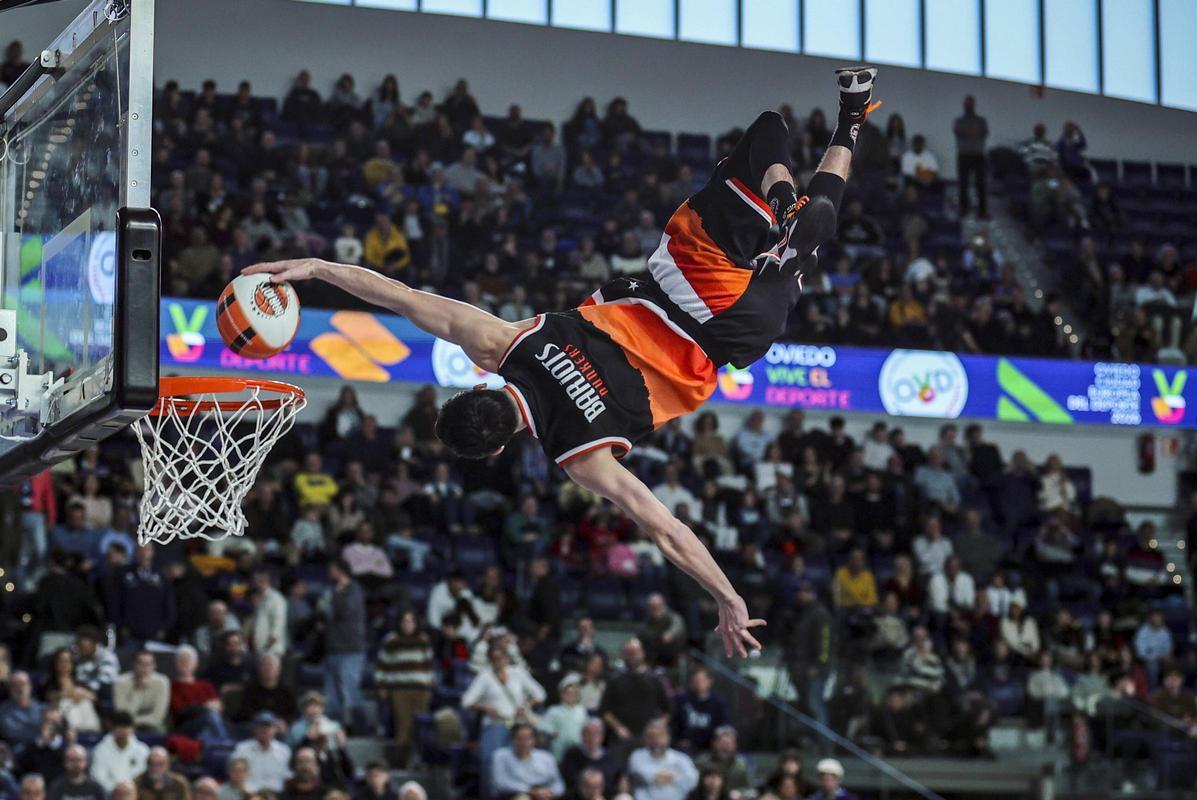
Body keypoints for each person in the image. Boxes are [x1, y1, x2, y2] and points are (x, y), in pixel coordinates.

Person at [246, 69, 881, 659]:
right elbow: (403, 298)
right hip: (681, 280)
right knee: (769, 129)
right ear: (476, 387)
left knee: (801, 259)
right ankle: (791, 189)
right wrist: (316, 268)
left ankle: (829, 166)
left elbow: (667, 531)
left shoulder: (581, 455)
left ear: (498, 450)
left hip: (730, 333)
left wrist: (727, 597)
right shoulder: (501, 345)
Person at [462, 644, 546, 789]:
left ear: (507, 658)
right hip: (495, 724)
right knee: (489, 763)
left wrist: (526, 705)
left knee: (516, 765)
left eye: (501, 657)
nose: (499, 661)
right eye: (494, 658)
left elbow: (540, 694)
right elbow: (466, 701)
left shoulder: (517, 672)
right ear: (490, 660)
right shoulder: (485, 676)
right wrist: (485, 708)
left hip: (517, 725)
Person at [374, 610, 434, 766]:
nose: (408, 624)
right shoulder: (391, 640)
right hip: (400, 689)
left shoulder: (423, 640)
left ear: (416, 623)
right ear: (400, 623)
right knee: (403, 726)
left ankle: (418, 761)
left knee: (420, 728)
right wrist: (382, 685)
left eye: (411, 621)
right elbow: (383, 664)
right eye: (405, 621)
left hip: (421, 690)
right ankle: (400, 762)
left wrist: (429, 686)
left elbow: (429, 666)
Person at [599, 639, 672, 762]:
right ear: (624, 655)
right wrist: (618, 728)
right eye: (629, 652)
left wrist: (657, 729)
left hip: (648, 740)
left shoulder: (655, 679)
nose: (632, 655)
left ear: (642, 653)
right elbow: (605, 711)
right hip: (620, 738)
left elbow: (668, 710)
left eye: (635, 652)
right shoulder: (614, 680)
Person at [781, 582, 832, 727]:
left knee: (815, 705)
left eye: (806, 591)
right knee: (806, 707)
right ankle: (811, 742)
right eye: (799, 591)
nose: (801, 595)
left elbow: (826, 642)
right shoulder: (798, 613)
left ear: (813, 594)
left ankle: (825, 746)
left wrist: (819, 665)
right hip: (799, 668)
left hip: (815, 670)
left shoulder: (820, 614)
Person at [324, 558, 368, 724]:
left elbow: (345, 611)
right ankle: (336, 728)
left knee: (350, 689)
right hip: (332, 647)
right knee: (332, 695)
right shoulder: (331, 589)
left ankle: (361, 726)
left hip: (351, 648)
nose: (329, 572)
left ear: (341, 570)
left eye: (332, 569)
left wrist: (335, 595)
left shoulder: (354, 589)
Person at [627, 719, 699, 800]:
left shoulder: (682, 759)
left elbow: (692, 781)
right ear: (645, 738)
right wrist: (673, 776)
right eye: (651, 736)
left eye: (660, 736)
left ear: (668, 737)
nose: (656, 740)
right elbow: (642, 776)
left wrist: (658, 777)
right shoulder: (637, 756)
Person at [490, 722, 563, 800]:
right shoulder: (500, 755)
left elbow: (558, 783)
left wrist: (551, 792)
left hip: (544, 793)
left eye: (528, 739)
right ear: (512, 739)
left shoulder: (546, 757)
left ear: (534, 740)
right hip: (514, 794)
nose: (524, 743)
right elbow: (500, 783)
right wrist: (529, 791)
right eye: (520, 739)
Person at [232, 712, 292, 793]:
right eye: (261, 726)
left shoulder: (284, 750)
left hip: (277, 795)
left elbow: (288, 777)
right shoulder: (242, 749)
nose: (264, 729)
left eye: (268, 726)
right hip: (249, 794)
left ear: (275, 729)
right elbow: (234, 774)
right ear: (254, 729)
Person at [88, 712, 149, 793]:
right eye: (120, 726)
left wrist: (129, 789)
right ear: (112, 728)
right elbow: (98, 778)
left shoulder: (143, 749)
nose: (124, 730)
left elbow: (144, 773)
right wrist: (119, 791)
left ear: (132, 728)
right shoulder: (100, 750)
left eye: (127, 726)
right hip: (109, 795)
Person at [670, 668, 727, 753]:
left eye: (701, 680)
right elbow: (673, 722)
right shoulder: (681, 699)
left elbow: (724, 724)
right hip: (684, 745)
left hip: (709, 746)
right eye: (695, 680)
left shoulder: (718, 703)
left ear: (710, 681)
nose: (698, 683)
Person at [113, 651, 170, 733]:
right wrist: (138, 690)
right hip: (126, 726)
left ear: (154, 666)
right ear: (134, 665)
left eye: (148, 664)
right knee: (122, 729)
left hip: (153, 725)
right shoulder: (120, 682)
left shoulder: (162, 682)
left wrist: (134, 720)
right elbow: (123, 717)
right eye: (141, 663)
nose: (144, 668)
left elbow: (158, 717)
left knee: (158, 729)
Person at [560, 718, 622, 791]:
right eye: (588, 733)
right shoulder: (572, 754)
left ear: (602, 737)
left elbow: (615, 779)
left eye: (596, 733)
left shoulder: (610, 757)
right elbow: (569, 780)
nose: (592, 737)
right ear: (582, 735)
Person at [537, 674, 588, 760]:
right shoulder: (553, 710)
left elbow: (587, 728)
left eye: (574, 693)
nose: (571, 696)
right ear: (562, 695)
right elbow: (542, 725)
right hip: (559, 751)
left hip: (578, 750)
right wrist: (551, 731)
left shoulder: (581, 710)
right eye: (568, 693)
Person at [952, 96, 988, 217]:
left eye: (971, 103)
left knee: (981, 184)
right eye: (967, 103)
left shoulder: (981, 120)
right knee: (963, 183)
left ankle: (982, 210)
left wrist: (970, 132)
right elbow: (959, 132)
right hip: (964, 155)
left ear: (974, 105)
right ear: (964, 105)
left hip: (978, 155)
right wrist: (973, 132)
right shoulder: (959, 120)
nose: (969, 105)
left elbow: (983, 132)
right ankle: (964, 208)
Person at [692, 726, 751, 796]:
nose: (725, 748)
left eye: (728, 744)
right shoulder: (701, 762)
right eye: (722, 743)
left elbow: (750, 790)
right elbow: (692, 785)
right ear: (714, 743)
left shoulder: (741, 766)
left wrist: (741, 794)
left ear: (735, 745)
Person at [0, 672, 43, 748]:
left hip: (41, 751)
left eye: (22, 684)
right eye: (15, 685)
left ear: (30, 686)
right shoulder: (3, 712)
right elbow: (10, 733)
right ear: (9, 689)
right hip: (16, 754)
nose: (19, 688)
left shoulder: (43, 709)